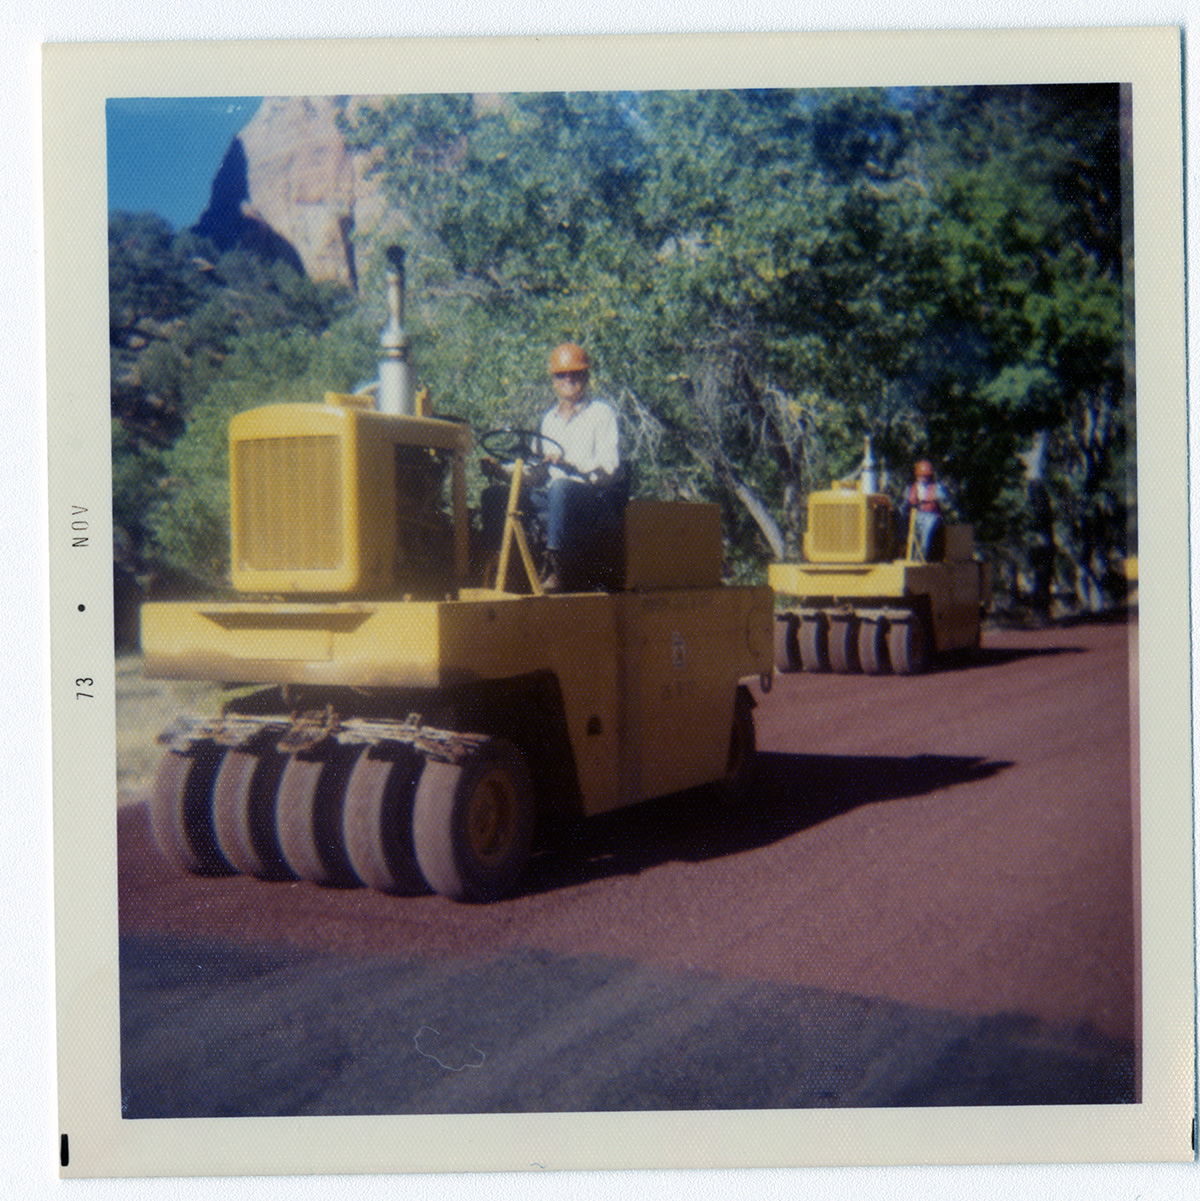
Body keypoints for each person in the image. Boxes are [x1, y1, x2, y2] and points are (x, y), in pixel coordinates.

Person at [481, 342, 621, 592]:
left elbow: (609, 468)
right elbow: (536, 473)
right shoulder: (549, 419)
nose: (568, 379)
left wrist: (570, 464)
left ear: (586, 376)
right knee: (495, 495)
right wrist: (501, 471)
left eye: (575, 374)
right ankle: (501, 564)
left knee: (559, 488)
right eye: (561, 375)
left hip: (590, 499)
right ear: (554, 381)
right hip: (556, 498)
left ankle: (559, 569)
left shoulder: (601, 414)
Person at [903, 459, 949, 562]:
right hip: (916, 515)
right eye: (921, 476)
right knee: (904, 524)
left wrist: (941, 500)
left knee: (927, 528)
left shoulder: (937, 488)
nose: (923, 478)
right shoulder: (911, 488)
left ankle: (923, 554)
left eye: (925, 476)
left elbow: (945, 503)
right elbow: (905, 504)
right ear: (917, 476)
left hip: (931, 515)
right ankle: (908, 554)